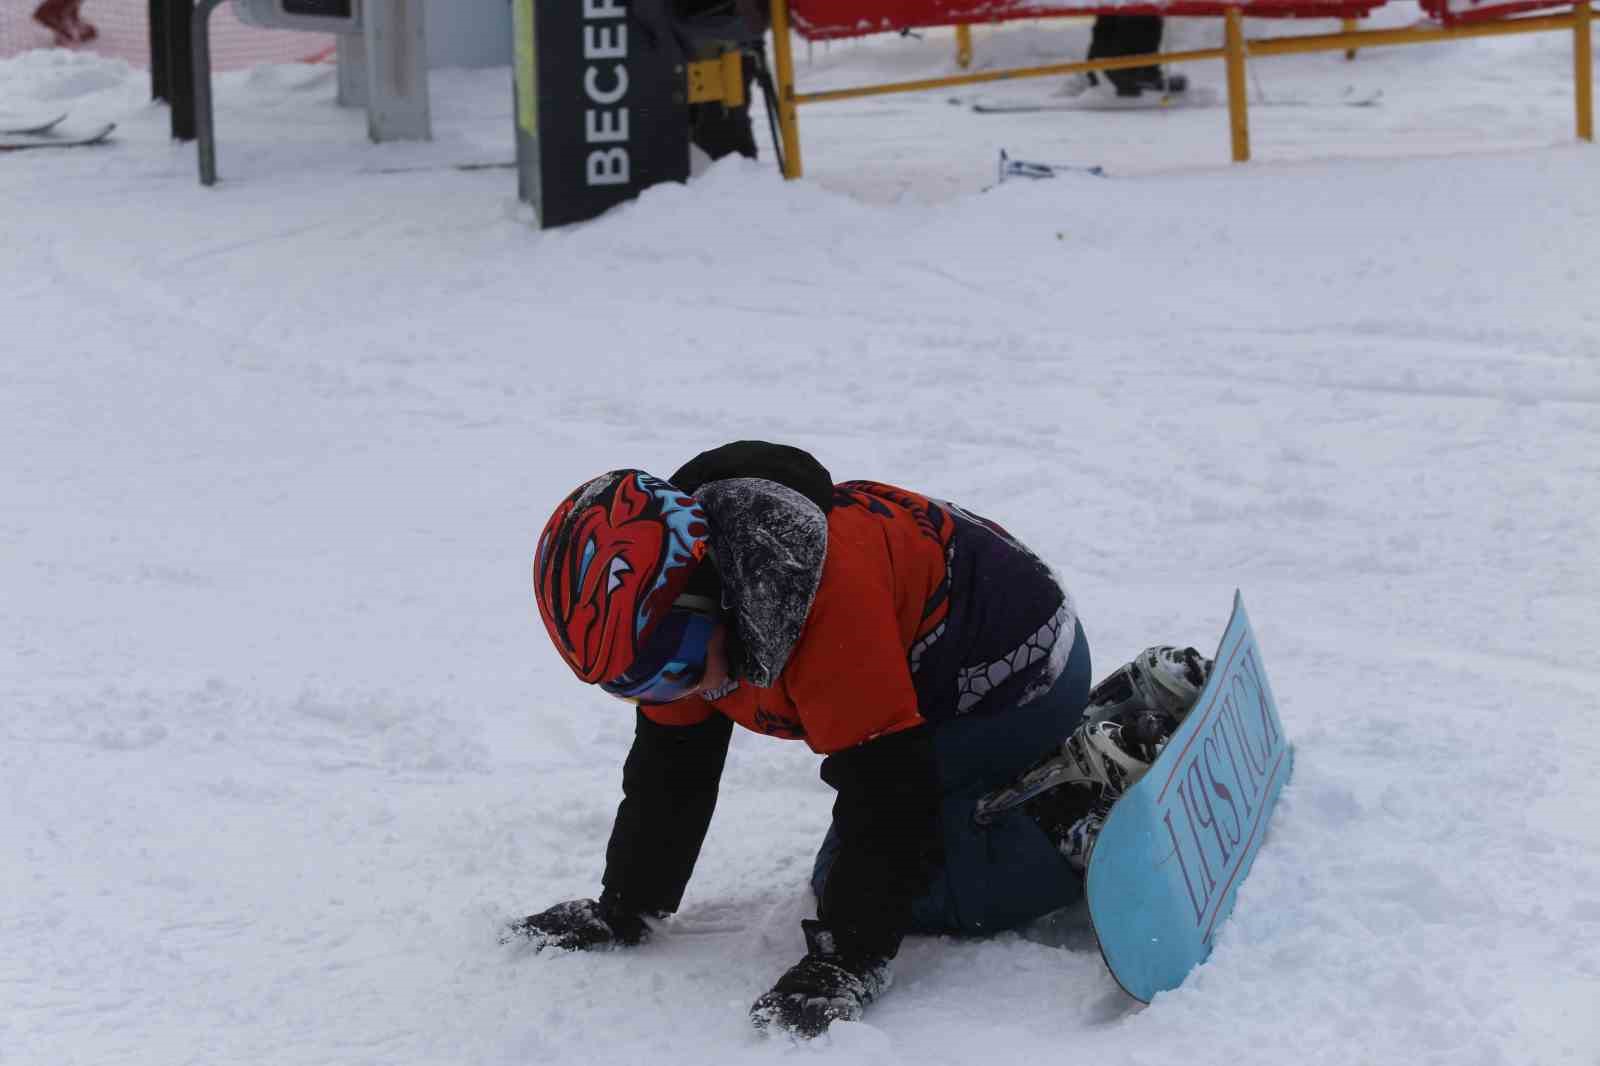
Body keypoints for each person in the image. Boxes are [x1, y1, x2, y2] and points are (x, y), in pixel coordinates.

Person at [512, 441, 1212, 1038]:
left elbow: (888, 796)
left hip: (1012, 675)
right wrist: (625, 905)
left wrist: (846, 959)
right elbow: (672, 768)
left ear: (711, 594)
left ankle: (1074, 800)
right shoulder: (695, 618)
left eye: (674, 665)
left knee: (929, 889)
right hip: (968, 663)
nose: (673, 691)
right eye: (636, 684)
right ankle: (1120, 716)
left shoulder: (819, 605)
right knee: (858, 873)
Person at [1064, 15, 1188, 99]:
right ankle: (1140, 74)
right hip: (1126, 68)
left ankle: (1099, 69)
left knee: (1114, 7)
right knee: (1143, 7)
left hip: (1102, 60)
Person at [32, 0, 96, 46]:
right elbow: (64, 16)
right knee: (67, 32)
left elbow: (72, 16)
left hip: (50, 13)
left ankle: (64, 37)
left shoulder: (72, 6)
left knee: (67, 29)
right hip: (47, 14)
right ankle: (63, 38)